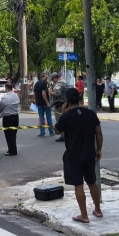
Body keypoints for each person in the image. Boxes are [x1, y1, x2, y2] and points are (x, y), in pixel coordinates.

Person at [54, 89, 103, 222]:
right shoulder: (90, 114)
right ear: (80, 99)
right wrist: (99, 149)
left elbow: (57, 131)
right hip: (89, 153)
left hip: (74, 155)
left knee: (78, 184)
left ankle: (84, 215)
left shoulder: (66, 116)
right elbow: (98, 133)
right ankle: (98, 210)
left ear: (67, 101)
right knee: (92, 182)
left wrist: (63, 113)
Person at [0, 80, 20, 156]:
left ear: (6, 88)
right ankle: (12, 149)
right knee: (13, 134)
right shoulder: (16, 95)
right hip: (15, 116)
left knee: (8, 134)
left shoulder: (5, 97)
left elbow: (0, 107)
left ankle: (12, 150)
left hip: (8, 117)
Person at [51, 73, 69, 142]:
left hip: (59, 104)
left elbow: (57, 93)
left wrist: (50, 92)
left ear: (55, 78)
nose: (53, 81)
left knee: (59, 120)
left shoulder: (59, 84)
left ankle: (63, 136)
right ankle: (67, 134)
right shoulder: (64, 82)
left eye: (53, 79)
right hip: (65, 103)